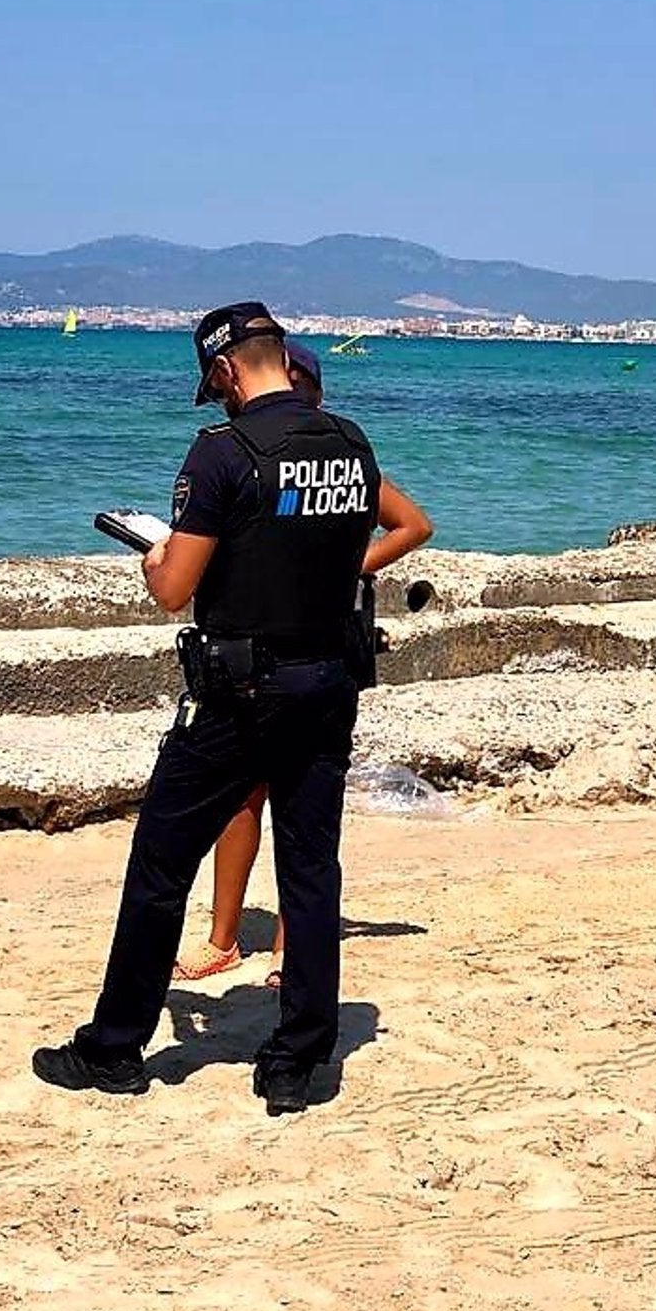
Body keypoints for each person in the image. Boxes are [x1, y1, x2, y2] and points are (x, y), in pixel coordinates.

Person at [34, 302, 383, 1117]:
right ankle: (298, 1060)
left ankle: (114, 1047)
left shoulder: (221, 456)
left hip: (239, 692)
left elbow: (173, 590)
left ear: (227, 370)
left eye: (214, 383)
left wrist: (158, 553)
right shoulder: (352, 445)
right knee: (309, 869)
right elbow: (333, 550)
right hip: (327, 681)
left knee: (160, 863)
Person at [175, 339, 434, 983]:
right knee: (246, 797)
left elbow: (412, 524)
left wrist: (342, 568)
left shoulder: (334, 456)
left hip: (314, 646)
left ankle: (291, 948)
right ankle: (223, 934)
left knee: (303, 807)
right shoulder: (256, 455)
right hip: (261, 651)